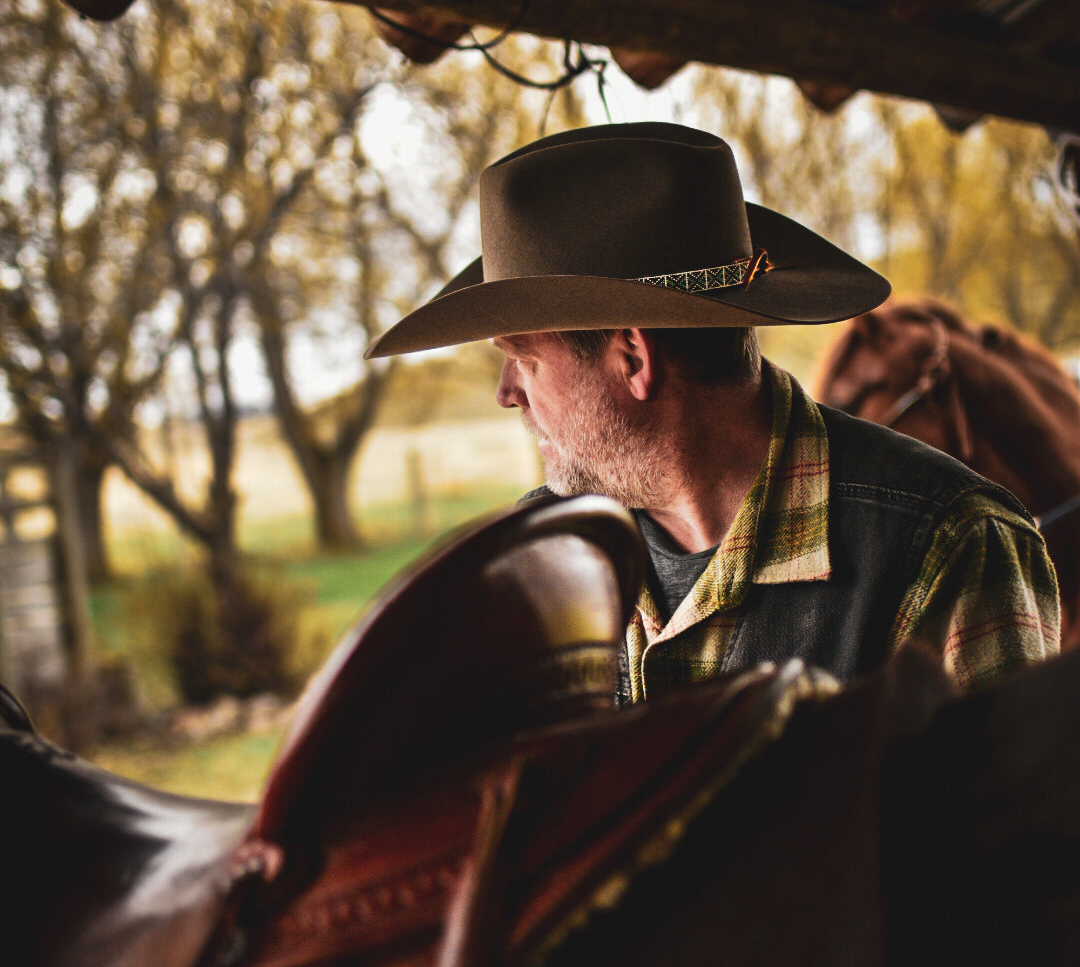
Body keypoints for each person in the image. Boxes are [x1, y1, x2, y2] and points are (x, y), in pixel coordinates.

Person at [368, 122, 1059, 697]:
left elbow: (1006, 857)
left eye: (524, 358)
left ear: (632, 358)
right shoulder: (535, 561)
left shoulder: (949, 551)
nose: (506, 394)